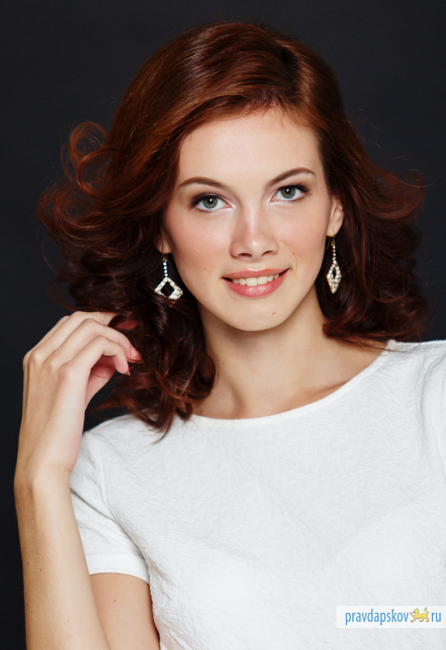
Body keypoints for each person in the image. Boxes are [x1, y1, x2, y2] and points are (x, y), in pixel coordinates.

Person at [14, 19, 446, 650]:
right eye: (209, 201)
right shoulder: (111, 472)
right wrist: (38, 479)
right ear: (160, 227)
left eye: (288, 191)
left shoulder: (434, 397)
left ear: (336, 206)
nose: (253, 241)